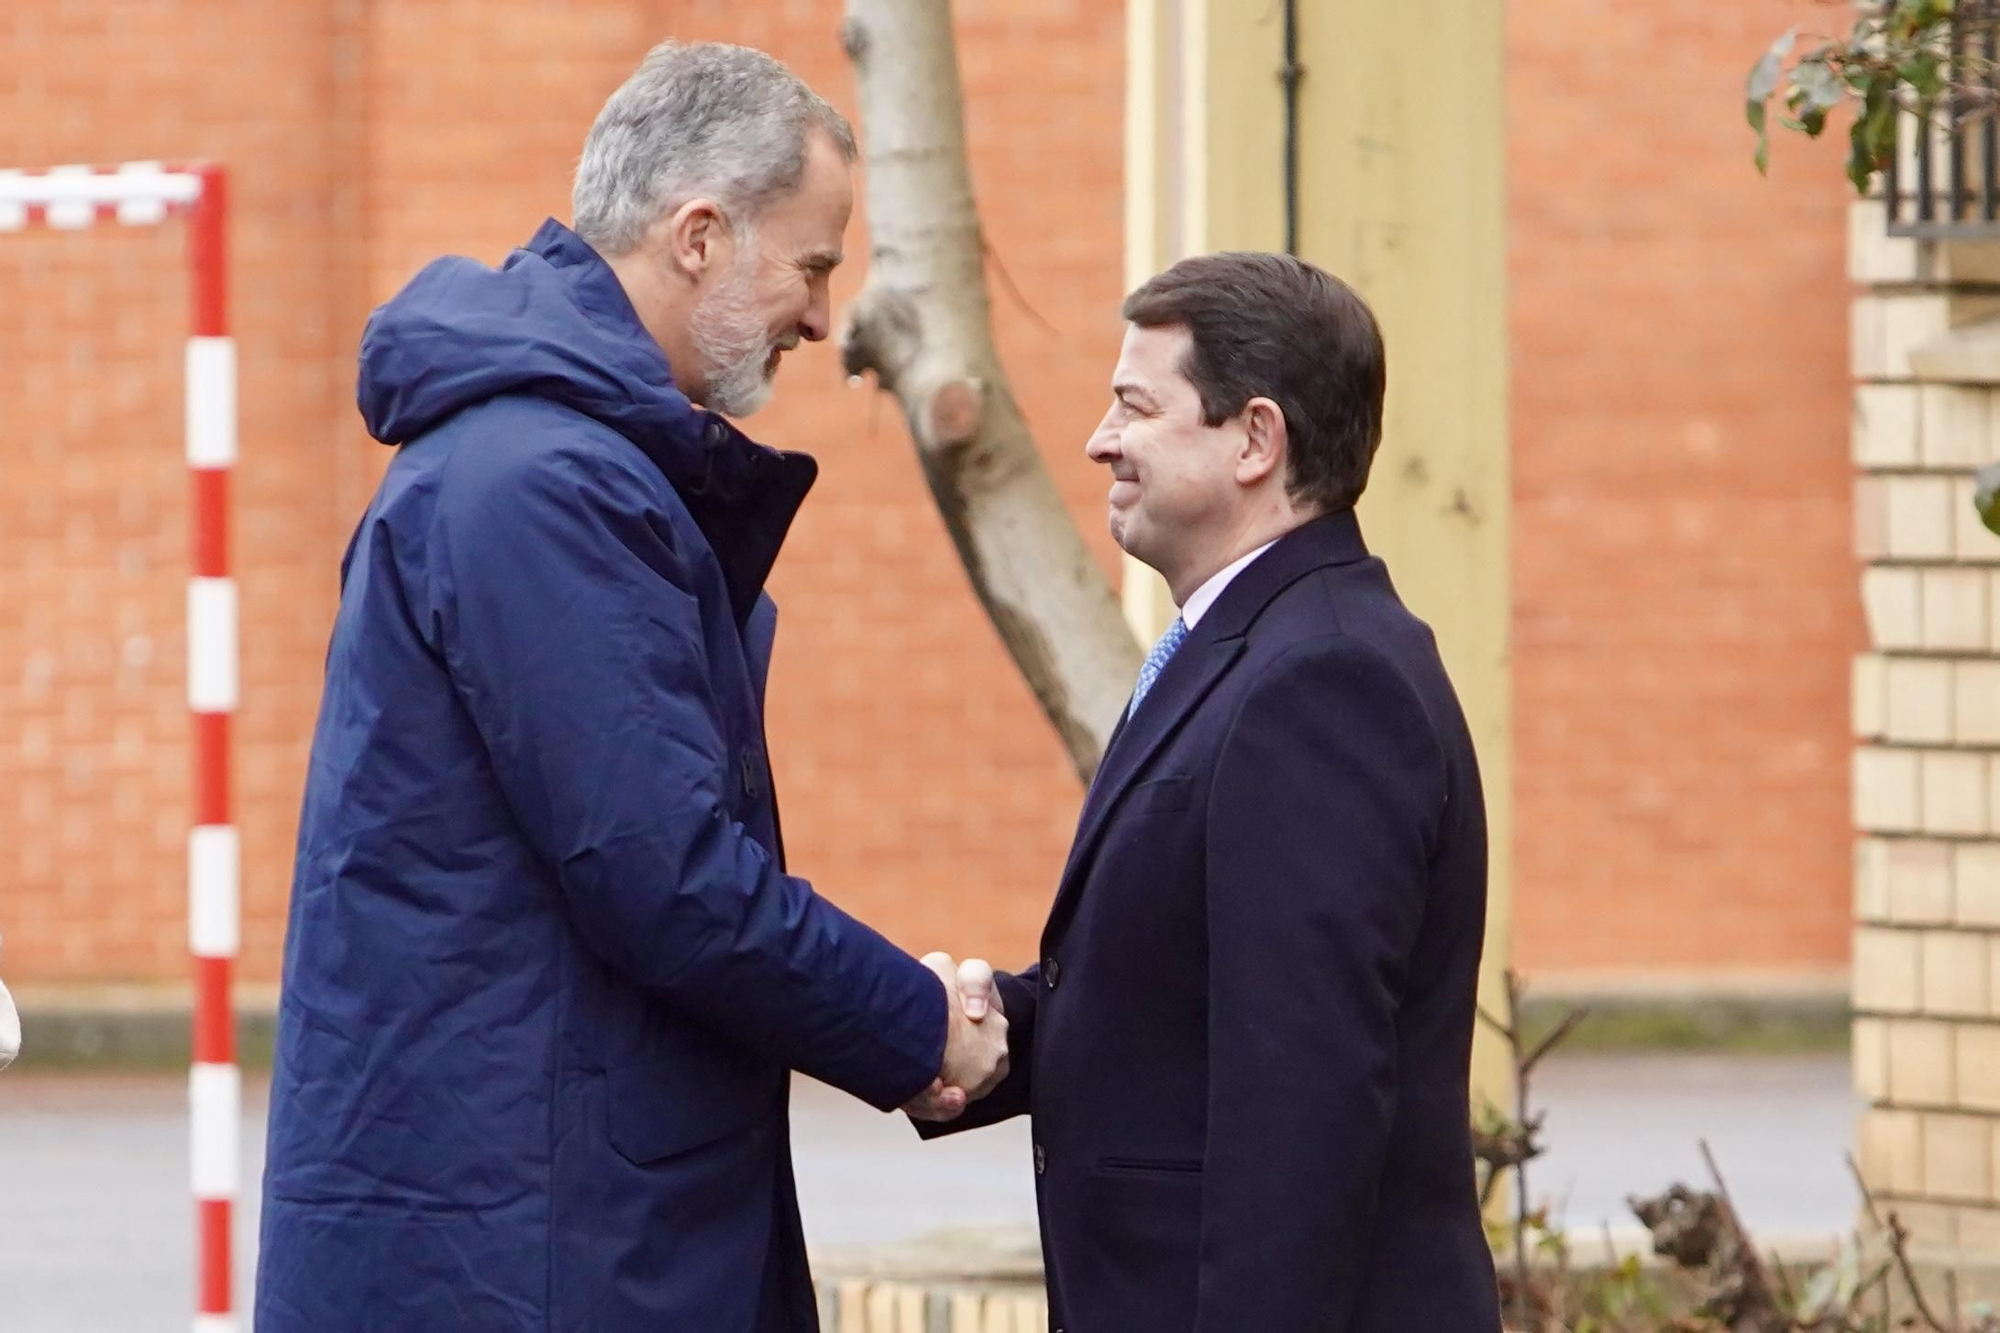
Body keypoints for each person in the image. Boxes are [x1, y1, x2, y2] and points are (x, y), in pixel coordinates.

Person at [255, 41, 1004, 1333]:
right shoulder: (545, 487)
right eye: (814, 264)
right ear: (700, 234)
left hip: (540, 1219)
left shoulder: (539, 464)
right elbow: (666, 876)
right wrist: (917, 1024)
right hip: (538, 1246)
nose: (825, 317)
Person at [918, 252, 1503, 1332]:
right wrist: (968, 1031)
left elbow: (1303, 1105)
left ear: (1254, 440)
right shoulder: (1245, 653)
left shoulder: (1323, 682)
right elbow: (1183, 995)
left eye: (1135, 406)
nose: (1098, 440)